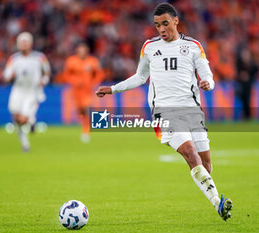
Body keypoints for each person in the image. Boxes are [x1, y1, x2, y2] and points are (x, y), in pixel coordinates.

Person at [96, 3, 233, 221]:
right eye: (157, 25)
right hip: (164, 113)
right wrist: (113, 89)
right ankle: (219, 202)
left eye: (165, 23)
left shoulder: (194, 46)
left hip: (192, 110)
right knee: (190, 154)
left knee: (206, 163)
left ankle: (213, 197)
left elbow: (207, 74)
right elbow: (140, 77)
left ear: (176, 21)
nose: (161, 29)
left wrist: (208, 83)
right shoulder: (149, 47)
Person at [3, 32, 51, 152]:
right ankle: (25, 144)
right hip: (18, 90)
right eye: (21, 43)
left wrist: (44, 80)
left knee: (23, 119)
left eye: (26, 43)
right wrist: (9, 76)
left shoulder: (40, 57)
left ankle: (31, 120)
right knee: (16, 118)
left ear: (30, 44)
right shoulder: (14, 59)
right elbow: (6, 74)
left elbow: (47, 73)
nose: (23, 45)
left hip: (32, 91)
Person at [59, 42, 104, 143]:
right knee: (81, 111)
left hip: (87, 90)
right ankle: (85, 126)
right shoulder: (71, 61)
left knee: (86, 108)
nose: (82, 52)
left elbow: (99, 74)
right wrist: (74, 82)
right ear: (77, 51)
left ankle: (86, 131)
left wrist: (93, 83)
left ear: (87, 51)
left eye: (84, 50)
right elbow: (66, 75)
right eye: (80, 50)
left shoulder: (93, 61)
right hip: (76, 91)